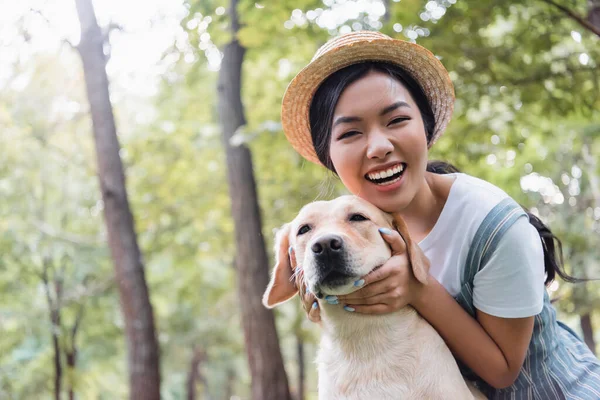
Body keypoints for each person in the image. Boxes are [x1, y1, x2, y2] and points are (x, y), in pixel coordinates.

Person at [279, 31, 600, 399]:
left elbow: (503, 372)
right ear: (328, 155)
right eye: (351, 132)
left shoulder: (493, 226)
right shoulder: (353, 231)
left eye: (396, 120)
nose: (379, 146)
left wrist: (418, 290)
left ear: (426, 127)